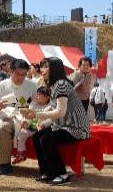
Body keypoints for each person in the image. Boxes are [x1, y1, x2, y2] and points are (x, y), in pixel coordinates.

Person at [26, 57, 91, 185]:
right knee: (37, 136)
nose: (42, 70)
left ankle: (62, 174)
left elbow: (60, 111)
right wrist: (43, 122)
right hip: (63, 125)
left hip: (76, 128)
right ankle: (47, 172)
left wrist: (38, 115)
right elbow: (53, 108)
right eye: (42, 67)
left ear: (54, 69)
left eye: (45, 67)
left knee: (46, 139)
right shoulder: (55, 84)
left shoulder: (61, 84)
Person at [0, 59, 37, 175]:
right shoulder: (1, 85)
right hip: (0, 116)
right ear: (11, 71)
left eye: (24, 74)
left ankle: (4, 164)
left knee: (3, 128)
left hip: (18, 117)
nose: (21, 77)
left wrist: (28, 112)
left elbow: (35, 103)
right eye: (18, 74)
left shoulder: (32, 85)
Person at [13, 86, 52, 164]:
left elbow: (50, 119)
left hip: (42, 129)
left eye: (39, 95)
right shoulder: (34, 104)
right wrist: (25, 122)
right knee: (21, 133)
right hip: (32, 127)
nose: (36, 96)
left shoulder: (50, 106)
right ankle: (21, 154)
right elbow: (29, 116)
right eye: (36, 94)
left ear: (47, 97)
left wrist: (43, 124)